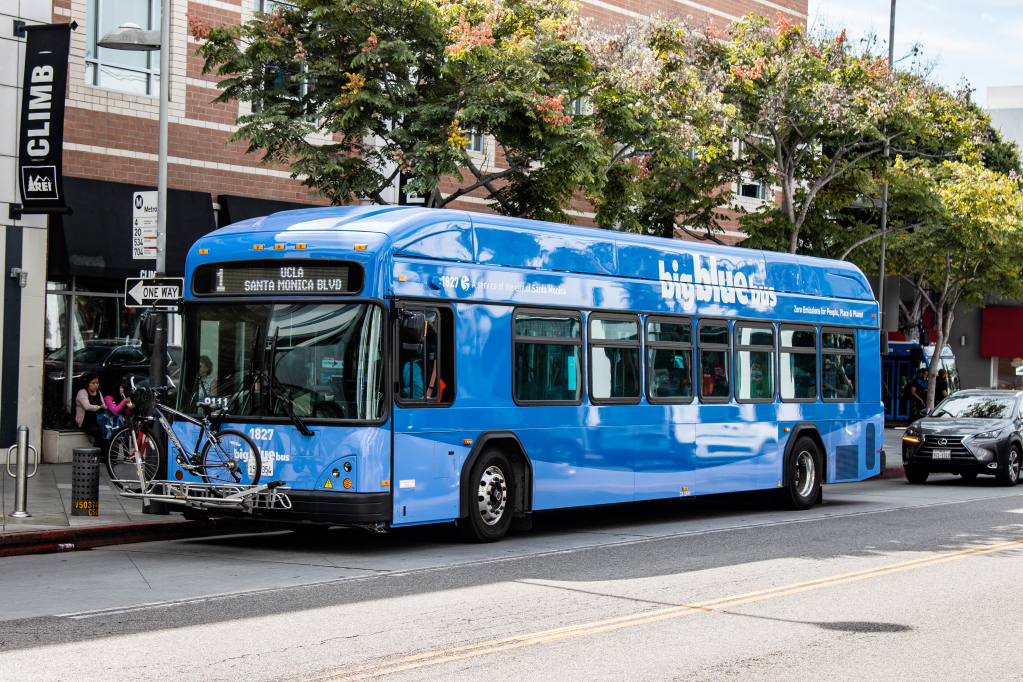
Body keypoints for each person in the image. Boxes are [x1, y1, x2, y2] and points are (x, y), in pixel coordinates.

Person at [75, 371, 108, 447]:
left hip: (98, 420)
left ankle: (105, 453)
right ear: (87, 384)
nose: (96, 385)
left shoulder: (99, 393)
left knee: (107, 434)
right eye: (93, 383)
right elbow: (87, 406)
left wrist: (104, 407)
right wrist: (99, 407)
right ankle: (95, 453)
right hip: (85, 421)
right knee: (99, 433)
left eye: (97, 383)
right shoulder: (82, 392)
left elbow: (103, 405)